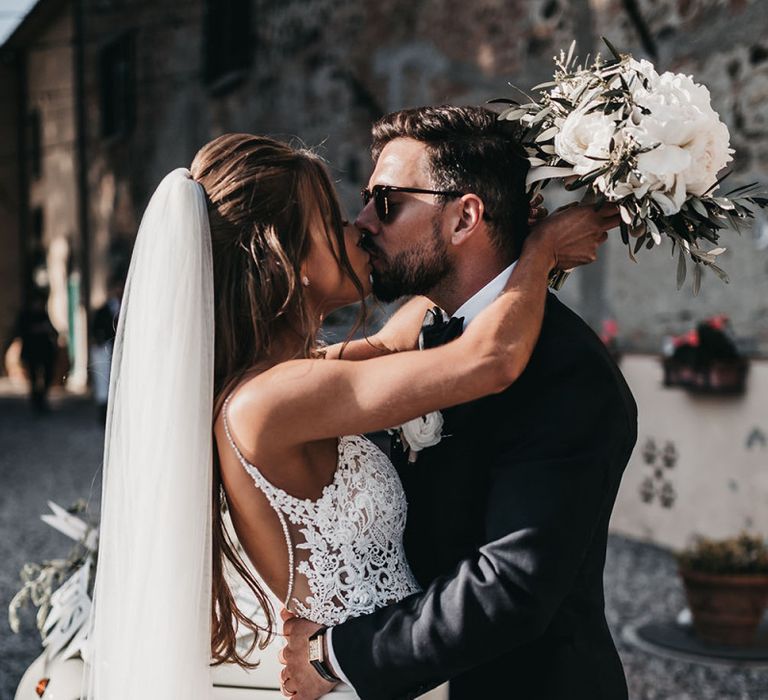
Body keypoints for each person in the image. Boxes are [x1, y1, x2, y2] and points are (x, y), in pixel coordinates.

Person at [84, 132, 617, 700]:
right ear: (282, 256)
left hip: (394, 670)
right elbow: (487, 359)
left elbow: (400, 338)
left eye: (375, 205)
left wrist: (503, 237)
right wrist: (540, 254)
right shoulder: (273, 400)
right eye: (333, 219)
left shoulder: (291, 377)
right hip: (357, 678)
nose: (359, 226)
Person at [280, 106, 637, 700]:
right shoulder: (418, 326)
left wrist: (338, 655)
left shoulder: (569, 371)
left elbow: (510, 587)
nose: (363, 221)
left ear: (464, 218)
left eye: (386, 202)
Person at [13, 289, 58, 412]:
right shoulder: (25, 315)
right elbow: (19, 331)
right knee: (33, 377)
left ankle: (41, 397)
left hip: (45, 350)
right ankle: (37, 401)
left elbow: (53, 330)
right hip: (31, 351)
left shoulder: (43, 314)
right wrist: (36, 330)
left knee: (48, 375)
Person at [90, 274, 123, 423]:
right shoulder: (104, 310)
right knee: (104, 380)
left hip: (120, 350)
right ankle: (104, 414)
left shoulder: (128, 308)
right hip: (106, 349)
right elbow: (96, 328)